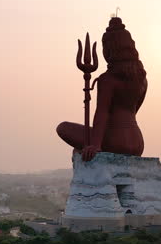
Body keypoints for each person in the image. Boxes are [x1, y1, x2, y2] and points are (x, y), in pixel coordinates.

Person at [57, 17, 147, 161]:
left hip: (115, 141)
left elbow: (102, 112)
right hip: (137, 143)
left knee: (63, 128)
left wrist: (95, 145)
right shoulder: (142, 80)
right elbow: (134, 110)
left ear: (110, 48)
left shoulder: (108, 79)